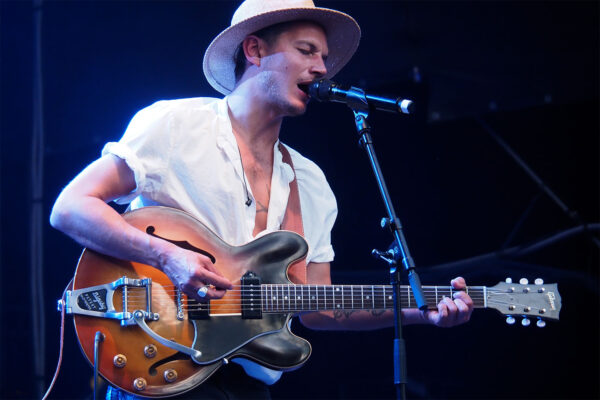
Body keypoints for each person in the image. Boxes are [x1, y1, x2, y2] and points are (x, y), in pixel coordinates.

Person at [50, 0, 473, 398]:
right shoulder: (176, 126)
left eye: (325, 59)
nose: (322, 69)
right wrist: (166, 258)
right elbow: (70, 207)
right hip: (158, 357)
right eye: (307, 51)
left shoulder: (309, 181)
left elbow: (318, 307)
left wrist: (420, 308)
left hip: (246, 385)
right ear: (254, 49)